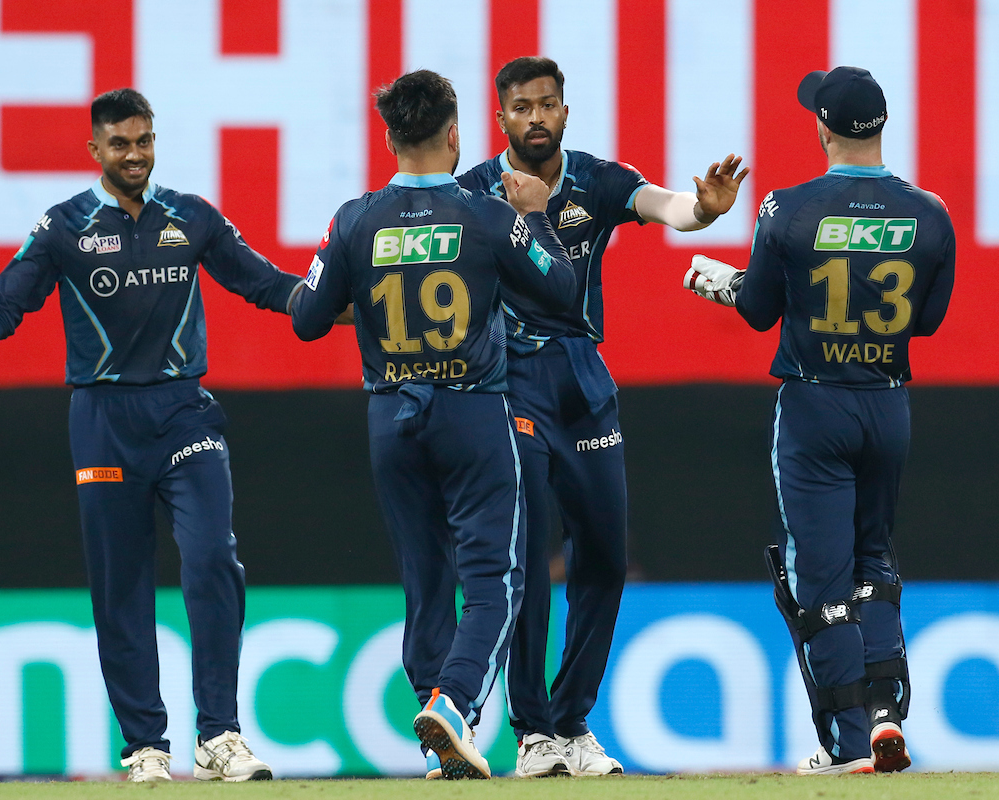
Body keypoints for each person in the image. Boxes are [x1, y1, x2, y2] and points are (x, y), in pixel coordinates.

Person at [0, 88, 301, 783]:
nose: (134, 155)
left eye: (144, 141)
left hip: (185, 412)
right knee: (121, 587)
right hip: (103, 422)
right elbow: (6, 304)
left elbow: (266, 284)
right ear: (95, 150)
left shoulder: (191, 217)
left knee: (212, 556)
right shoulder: (64, 227)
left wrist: (354, 309)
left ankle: (220, 736)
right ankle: (145, 746)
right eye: (119, 144)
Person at [456, 56, 748, 777]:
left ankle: (573, 722)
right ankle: (532, 734)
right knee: (525, 561)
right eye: (521, 107)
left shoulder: (597, 179)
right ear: (501, 120)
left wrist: (706, 209)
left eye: (547, 105)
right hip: (508, 387)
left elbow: (669, 208)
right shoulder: (474, 193)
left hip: (583, 382)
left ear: (564, 110)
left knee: (606, 556)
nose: (535, 118)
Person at [290, 69, 576, 780]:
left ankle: (439, 732)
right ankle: (453, 708)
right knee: (498, 578)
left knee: (424, 579)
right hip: (473, 411)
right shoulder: (487, 215)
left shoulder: (355, 218)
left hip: (391, 414)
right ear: (455, 134)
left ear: (389, 137)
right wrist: (537, 215)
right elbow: (563, 291)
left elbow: (305, 318)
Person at [684, 66, 955, 774]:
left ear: (823, 126)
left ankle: (845, 739)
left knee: (821, 581)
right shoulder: (931, 213)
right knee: (875, 563)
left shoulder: (787, 208)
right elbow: (927, 320)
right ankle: (887, 718)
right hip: (888, 401)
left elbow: (760, 311)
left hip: (815, 404)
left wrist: (720, 283)